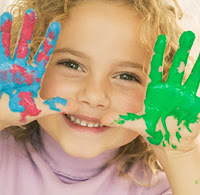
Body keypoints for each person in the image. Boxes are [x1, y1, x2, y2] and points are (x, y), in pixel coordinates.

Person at [0, 0, 200, 194]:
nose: (94, 96)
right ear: (31, 58)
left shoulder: (165, 188)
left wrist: (179, 155)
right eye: (72, 65)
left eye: (126, 76)